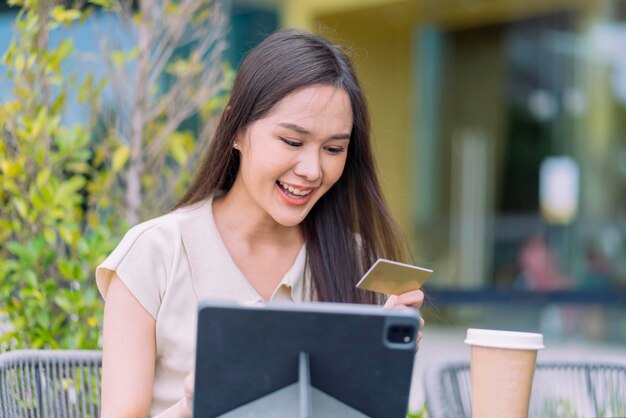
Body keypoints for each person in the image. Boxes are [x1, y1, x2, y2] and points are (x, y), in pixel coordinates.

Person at [97, 29, 425, 418]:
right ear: (235, 129)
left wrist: (381, 362)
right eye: (292, 141)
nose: (311, 170)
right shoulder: (154, 253)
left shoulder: (356, 260)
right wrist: (191, 406)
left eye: (334, 149)